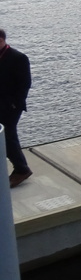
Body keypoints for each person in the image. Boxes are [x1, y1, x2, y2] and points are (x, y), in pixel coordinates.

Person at [0, 29, 33, 188]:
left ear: (3, 40)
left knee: (8, 135)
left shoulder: (18, 58)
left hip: (11, 106)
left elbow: (25, 84)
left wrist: (14, 104)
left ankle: (21, 169)